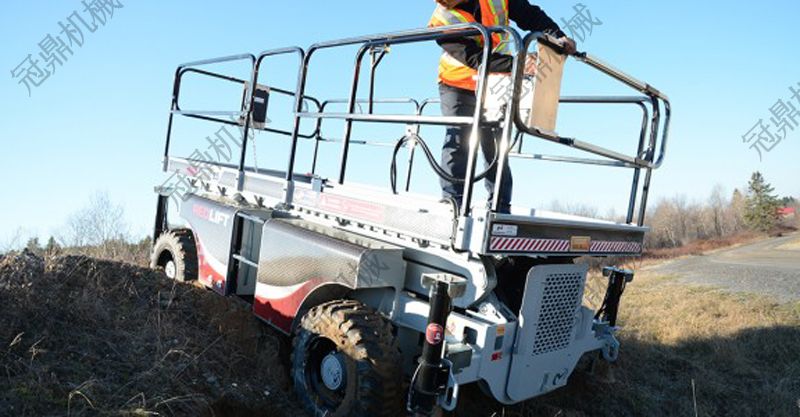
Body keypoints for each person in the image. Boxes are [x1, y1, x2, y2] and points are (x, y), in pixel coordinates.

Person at [429, 0, 576, 213]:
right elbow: (474, 57)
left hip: (494, 82)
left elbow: (529, 14)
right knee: (458, 141)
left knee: (496, 144)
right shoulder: (442, 19)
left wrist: (557, 36)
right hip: (458, 85)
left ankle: (500, 205)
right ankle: (453, 203)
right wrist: (518, 64)